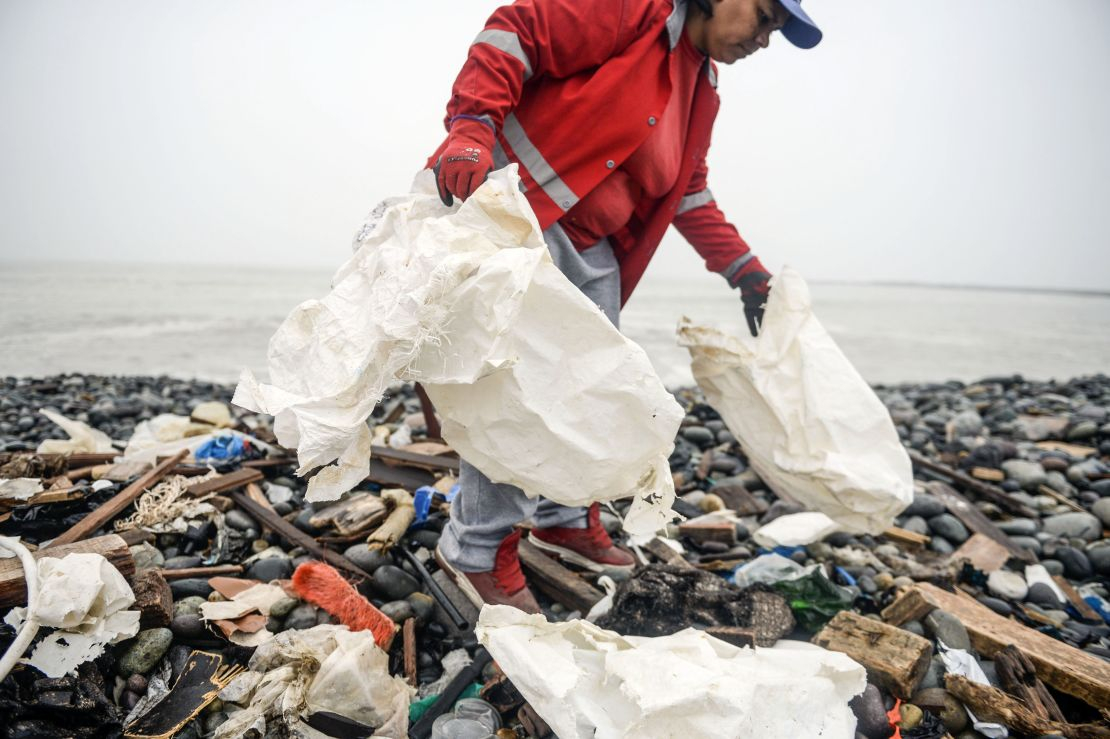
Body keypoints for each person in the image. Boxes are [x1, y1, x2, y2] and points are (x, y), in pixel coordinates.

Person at [426, 0, 822, 612]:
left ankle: (561, 519)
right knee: (514, 396)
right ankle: (475, 550)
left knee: (592, 391)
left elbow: (688, 190)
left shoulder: (703, 85)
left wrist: (745, 272)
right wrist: (472, 125)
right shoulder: (636, 14)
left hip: (596, 250)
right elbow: (515, 30)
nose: (765, 39)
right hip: (521, 217)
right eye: (766, 16)